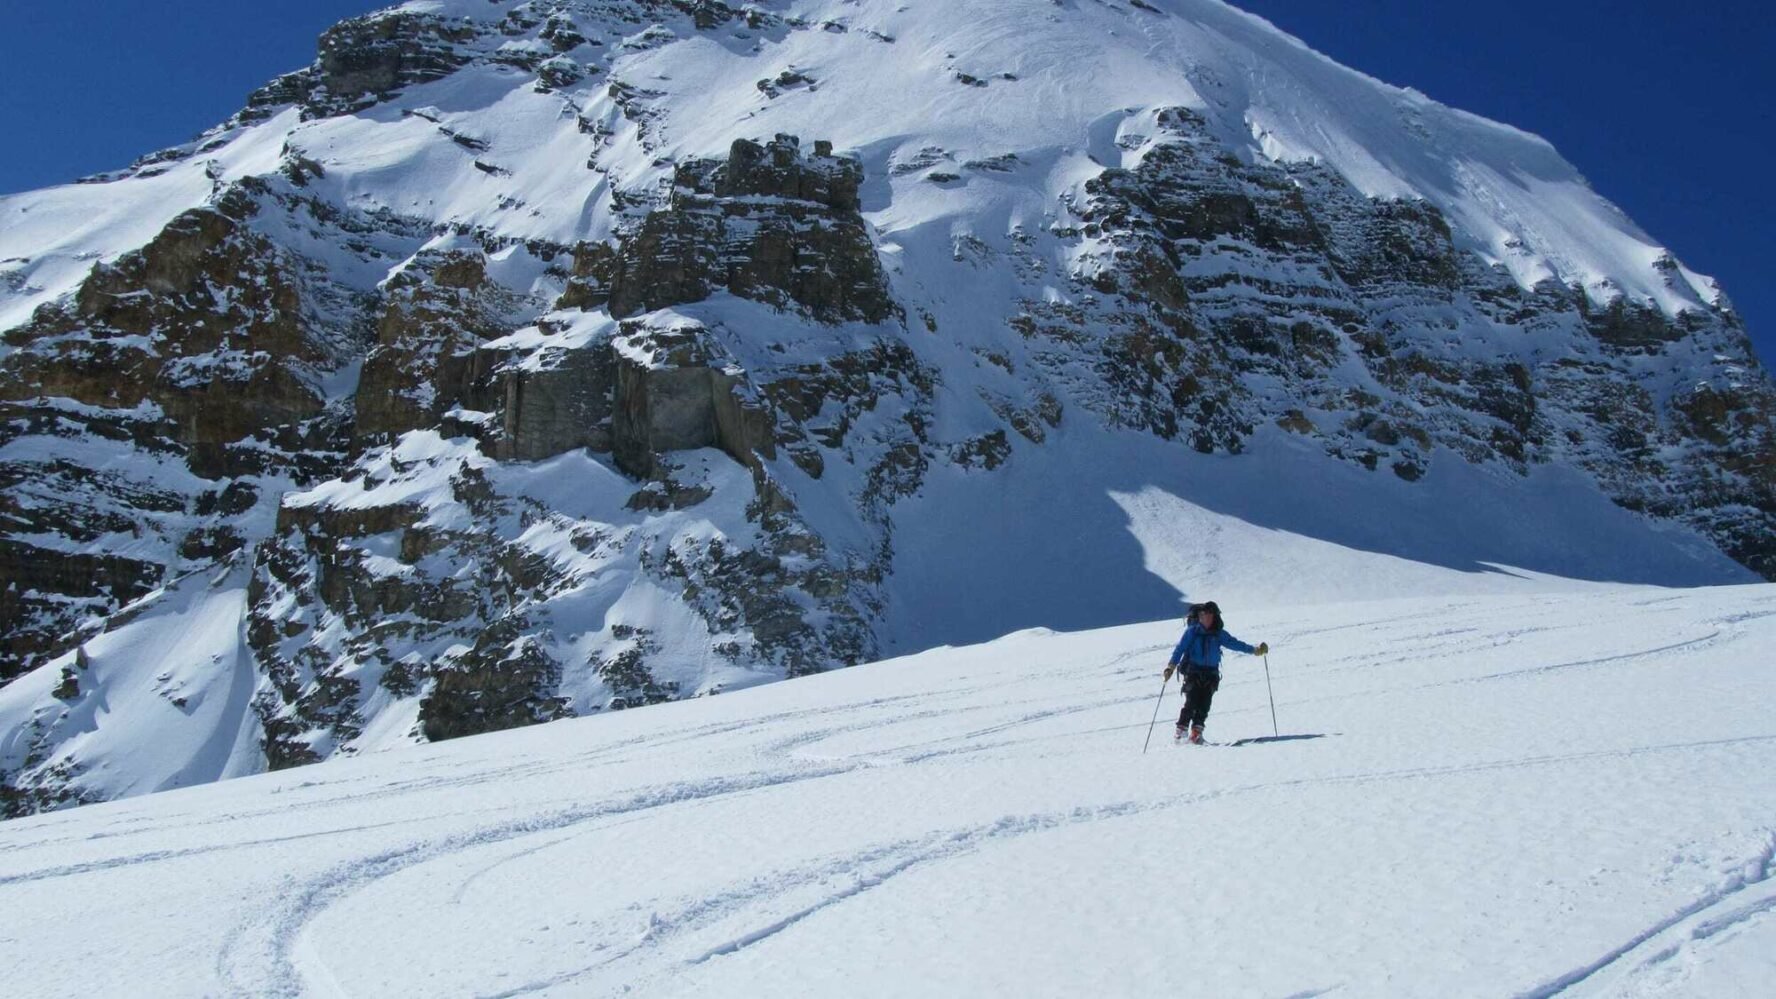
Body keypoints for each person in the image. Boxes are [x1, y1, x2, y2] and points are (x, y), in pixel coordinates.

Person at [1164, 601, 1269, 744]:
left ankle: (1196, 734)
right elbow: (1180, 649)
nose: (1204, 618)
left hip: (1211, 673)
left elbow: (1235, 644)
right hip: (1194, 671)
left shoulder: (1218, 634)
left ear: (1214, 617)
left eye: (1208, 615)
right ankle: (1180, 733)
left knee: (1205, 704)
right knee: (1191, 702)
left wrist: (1254, 650)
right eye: (1202, 615)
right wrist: (1171, 666)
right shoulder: (1192, 632)